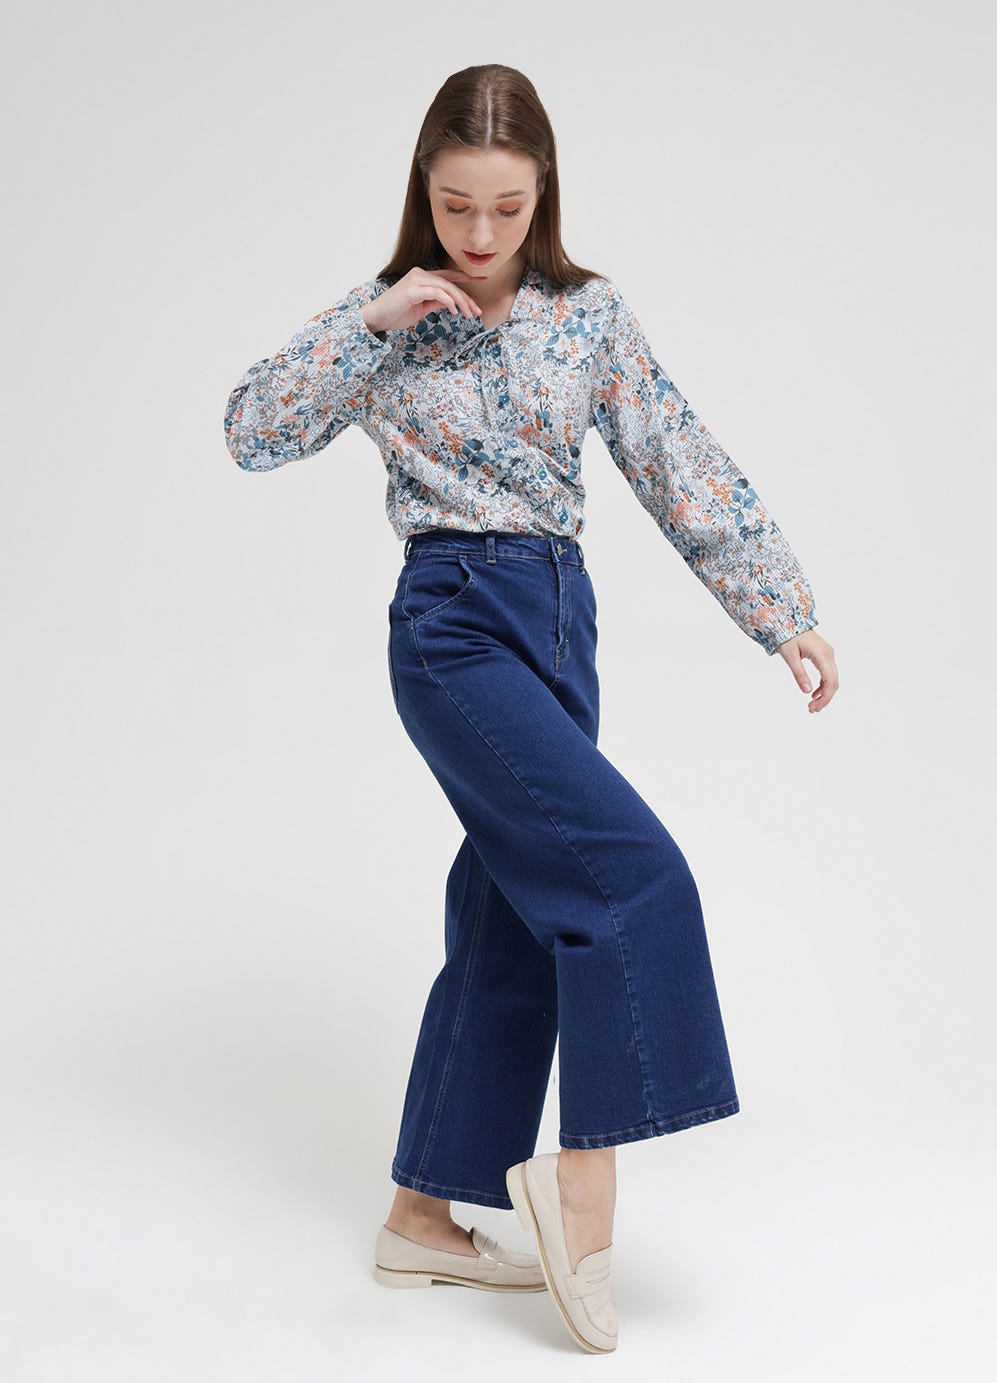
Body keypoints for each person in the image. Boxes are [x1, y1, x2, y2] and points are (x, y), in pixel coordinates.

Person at [223, 63, 838, 1354]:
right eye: (457, 206)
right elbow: (251, 430)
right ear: (424, 191)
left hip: (560, 622)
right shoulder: (387, 316)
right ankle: (585, 1186)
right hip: (452, 623)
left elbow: (677, 457)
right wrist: (371, 324)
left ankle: (422, 1217)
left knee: (514, 913)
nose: (481, 234)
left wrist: (779, 608)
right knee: (631, 875)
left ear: (544, 192)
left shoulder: (587, 315)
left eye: (506, 207)